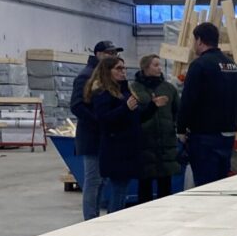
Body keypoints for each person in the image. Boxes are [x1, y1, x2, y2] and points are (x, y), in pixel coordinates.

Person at [178, 22, 237, 186]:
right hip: (228, 135)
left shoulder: (199, 65)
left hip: (205, 137)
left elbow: (188, 100)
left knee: (205, 186)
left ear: (199, 40)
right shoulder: (234, 67)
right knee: (221, 185)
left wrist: (181, 129)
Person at [70, 40, 124, 220]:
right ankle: (90, 219)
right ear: (98, 54)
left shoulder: (107, 76)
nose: (113, 56)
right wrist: (99, 120)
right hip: (92, 137)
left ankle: (96, 218)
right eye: (110, 53)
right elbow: (76, 106)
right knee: (93, 181)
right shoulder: (86, 76)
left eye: (115, 53)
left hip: (106, 137)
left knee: (102, 180)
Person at [84, 56, 143, 213]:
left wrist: (153, 107)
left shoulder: (124, 90)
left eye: (124, 68)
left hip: (128, 147)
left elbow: (136, 116)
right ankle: (113, 218)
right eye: (118, 68)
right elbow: (104, 119)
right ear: (107, 71)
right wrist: (125, 108)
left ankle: (116, 216)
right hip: (115, 148)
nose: (123, 72)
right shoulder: (102, 93)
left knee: (122, 188)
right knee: (118, 189)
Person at [132, 54, 180, 203]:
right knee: (144, 186)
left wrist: (176, 129)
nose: (160, 68)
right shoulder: (134, 88)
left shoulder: (169, 89)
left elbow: (177, 112)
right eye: (155, 65)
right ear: (145, 68)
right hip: (144, 143)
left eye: (160, 65)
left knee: (165, 186)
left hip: (165, 143)